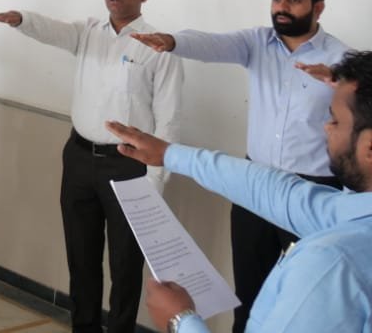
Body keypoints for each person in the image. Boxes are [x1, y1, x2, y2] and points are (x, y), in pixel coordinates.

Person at [130, 0, 348, 332]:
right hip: (254, 186)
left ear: (318, 7)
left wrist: (342, 81)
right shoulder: (256, 43)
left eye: (294, 0)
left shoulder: (341, 57)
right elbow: (212, 44)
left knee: (305, 296)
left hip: (313, 192)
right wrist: (172, 41)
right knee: (249, 292)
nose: (282, 7)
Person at [0, 0, 182, 333]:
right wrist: (21, 19)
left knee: (125, 264)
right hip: (79, 158)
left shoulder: (158, 46)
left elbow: (169, 121)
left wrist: (155, 182)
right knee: (82, 257)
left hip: (129, 166)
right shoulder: (88, 31)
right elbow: (52, 30)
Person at [107, 50, 372, 332]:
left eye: (335, 120)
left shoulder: (330, 264)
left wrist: (180, 320)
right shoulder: (348, 215)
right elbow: (277, 191)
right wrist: (170, 154)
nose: (326, 128)